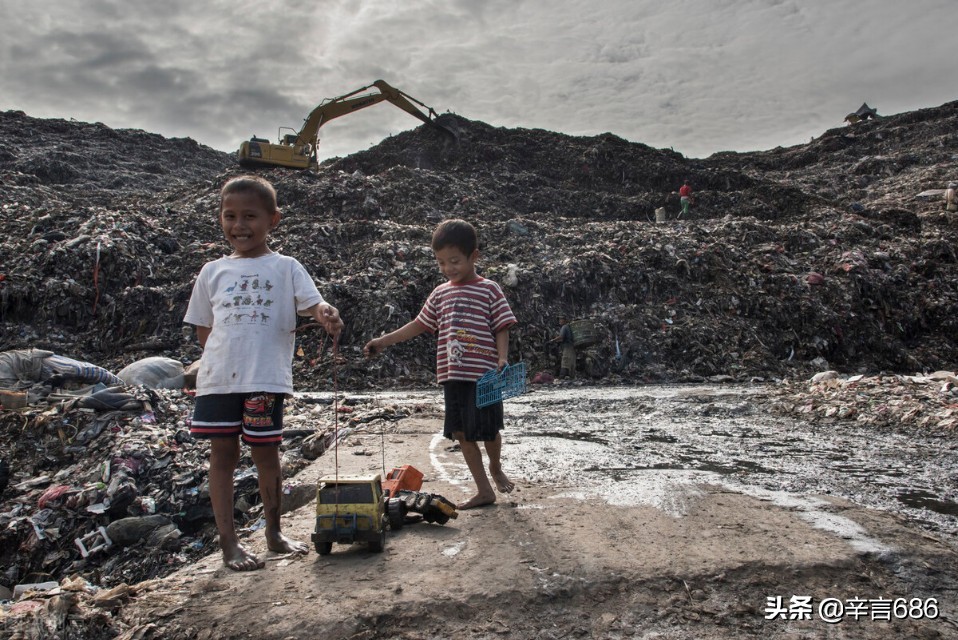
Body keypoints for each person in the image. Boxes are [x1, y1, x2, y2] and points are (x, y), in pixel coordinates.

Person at [184, 175, 343, 571]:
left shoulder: (285, 266)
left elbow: (313, 304)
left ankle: (273, 533)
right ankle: (229, 543)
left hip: (265, 380)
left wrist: (325, 314)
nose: (239, 225)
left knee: (266, 454)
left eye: (250, 216)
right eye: (230, 216)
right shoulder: (211, 271)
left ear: (273, 220)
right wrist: (225, 362)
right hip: (219, 380)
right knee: (222, 455)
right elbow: (205, 331)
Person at [364, 219, 517, 510]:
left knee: (487, 429)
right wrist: (383, 341)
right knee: (461, 433)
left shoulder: (490, 289)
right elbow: (418, 325)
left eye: (455, 261)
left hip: (484, 376)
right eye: (442, 263)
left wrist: (502, 357)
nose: (448, 268)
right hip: (452, 376)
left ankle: (495, 467)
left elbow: (502, 326)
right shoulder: (440, 293)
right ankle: (484, 490)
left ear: (474, 257)